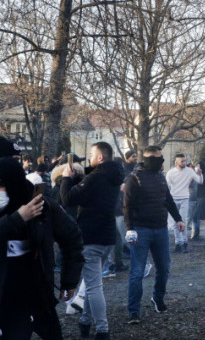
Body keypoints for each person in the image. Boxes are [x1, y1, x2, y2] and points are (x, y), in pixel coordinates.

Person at [0, 157, 84, 340]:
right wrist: (17, 218)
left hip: (34, 287)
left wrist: (69, 280)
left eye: (2, 185)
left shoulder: (42, 206)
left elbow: (72, 237)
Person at [60, 141, 123, 340]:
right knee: (90, 281)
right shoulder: (113, 175)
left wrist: (66, 179)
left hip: (91, 236)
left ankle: (102, 330)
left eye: (91, 154)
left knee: (94, 286)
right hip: (107, 236)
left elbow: (68, 198)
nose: (88, 157)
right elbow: (91, 189)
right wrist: (81, 177)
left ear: (100, 157)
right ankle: (85, 321)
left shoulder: (96, 177)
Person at [123, 146, 185, 324]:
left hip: (161, 230)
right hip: (140, 230)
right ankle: (133, 311)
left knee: (164, 268)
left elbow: (168, 200)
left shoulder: (160, 177)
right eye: (158, 158)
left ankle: (158, 298)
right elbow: (127, 205)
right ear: (149, 159)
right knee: (137, 272)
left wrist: (178, 219)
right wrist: (130, 229)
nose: (162, 161)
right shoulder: (134, 179)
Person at [164, 153, 202, 253]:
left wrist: (199, 174)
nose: (184, 162)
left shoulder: (189, 171)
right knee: (177, 222)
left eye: (185, 161)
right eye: (182, 161)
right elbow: (167, 187)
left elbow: (200, 181)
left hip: (185, 198)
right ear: (176, 162)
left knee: (183, 221)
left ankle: (184, 243)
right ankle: (178, 243)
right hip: (173, 199)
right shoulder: (171, 173)